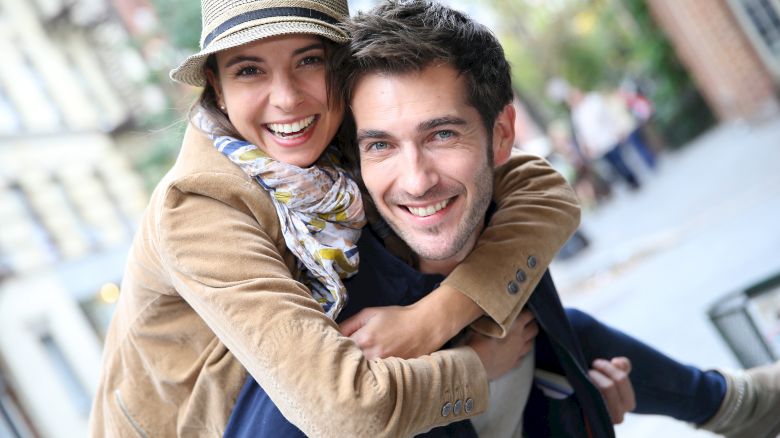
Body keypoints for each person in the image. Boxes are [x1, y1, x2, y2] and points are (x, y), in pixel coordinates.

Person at [224, 1, 780, 437]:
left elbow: (559, 317)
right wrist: (470, 366)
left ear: (503, 134)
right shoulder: (331, 323)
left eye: (442, 134)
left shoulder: (503, 225)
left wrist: (577, 403)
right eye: (381, 145)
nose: (416, 180)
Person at [88, 0, 586, 436]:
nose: (286, 98)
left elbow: (541, 189)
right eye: (249, 70)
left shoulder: (336, 130)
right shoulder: (196, 207)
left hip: (333, 387)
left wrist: (436, 318)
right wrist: (478, 369)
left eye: (309, 60)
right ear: (217, 88)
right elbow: (343, 410)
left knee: (516, 289)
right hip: (246, 418)